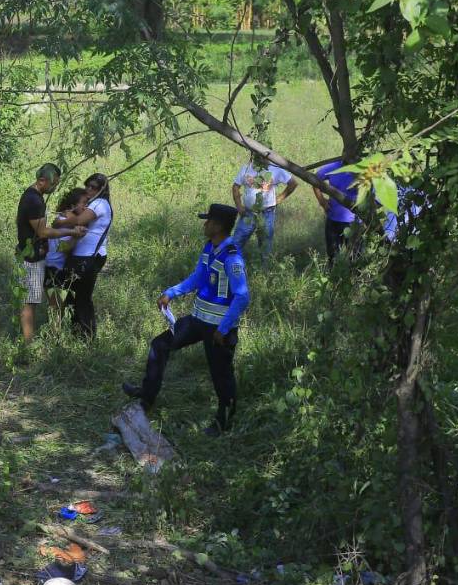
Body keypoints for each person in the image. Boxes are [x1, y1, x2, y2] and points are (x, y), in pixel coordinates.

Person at [121, 203, 249, 436]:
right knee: (159, 345)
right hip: (198, 320)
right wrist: (171, 292)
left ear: (218, 226)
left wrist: (224, 327)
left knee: (221, 375)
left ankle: (224, 421)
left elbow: (242, 296)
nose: (204, 224)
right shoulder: (210, 247)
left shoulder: (232, 257)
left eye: (208, 221)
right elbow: (197, 278)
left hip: (218, 329)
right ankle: (147, 397)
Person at [15, 164, 83, 342]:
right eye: (53, 183)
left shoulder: (36, 197)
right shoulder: (34, 200)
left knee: (34, 300)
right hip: (30, 258)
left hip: (35, 255)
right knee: (30, 302)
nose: (55, 187)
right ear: (41, 180)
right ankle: (28, 344)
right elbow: (43, 232)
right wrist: (71, 232)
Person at [55, 173, 113, 337]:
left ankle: (87, 336)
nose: (88, 189)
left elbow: (79, 220)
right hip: (81, 256)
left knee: (82, 297)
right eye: (87, 185)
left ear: (102, 189)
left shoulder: (100, 203)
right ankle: (76, 333)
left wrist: (61, 221)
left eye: (93, 187)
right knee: (74, 296)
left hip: (88, 258)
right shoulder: (94, 203)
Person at [232, 156, 297, 262]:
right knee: (236, 242)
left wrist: (279, 199)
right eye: (257, 155)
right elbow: (235, 187)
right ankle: (233, 266)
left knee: (265, 246)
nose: (261, 158)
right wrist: (239, 206)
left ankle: (264, 272)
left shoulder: (275, 169)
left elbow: (293, 183)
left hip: (267, 213)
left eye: (264, 155)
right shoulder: (247, 168)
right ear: (253, 155)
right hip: (249, 213)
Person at [45, 188, 87, 314]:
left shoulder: (63, 219)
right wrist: (75, 237)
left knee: (58, 306)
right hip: (54, 268)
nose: (87, 207)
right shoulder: (64, 221)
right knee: (56, 307)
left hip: (55, 266)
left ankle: (56, 331)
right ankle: (54, 333)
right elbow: (62, 248)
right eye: (84, 203)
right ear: (73, 205)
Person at [313, 160, 360, 263]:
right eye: (347, 150)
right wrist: (322, 202)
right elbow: (315, 180)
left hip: (353, 222)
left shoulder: (362, 169)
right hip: (333, 220)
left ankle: (355, 278)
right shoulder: (334, 167)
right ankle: (334, 277)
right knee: (332, 256)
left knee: (355, 258)